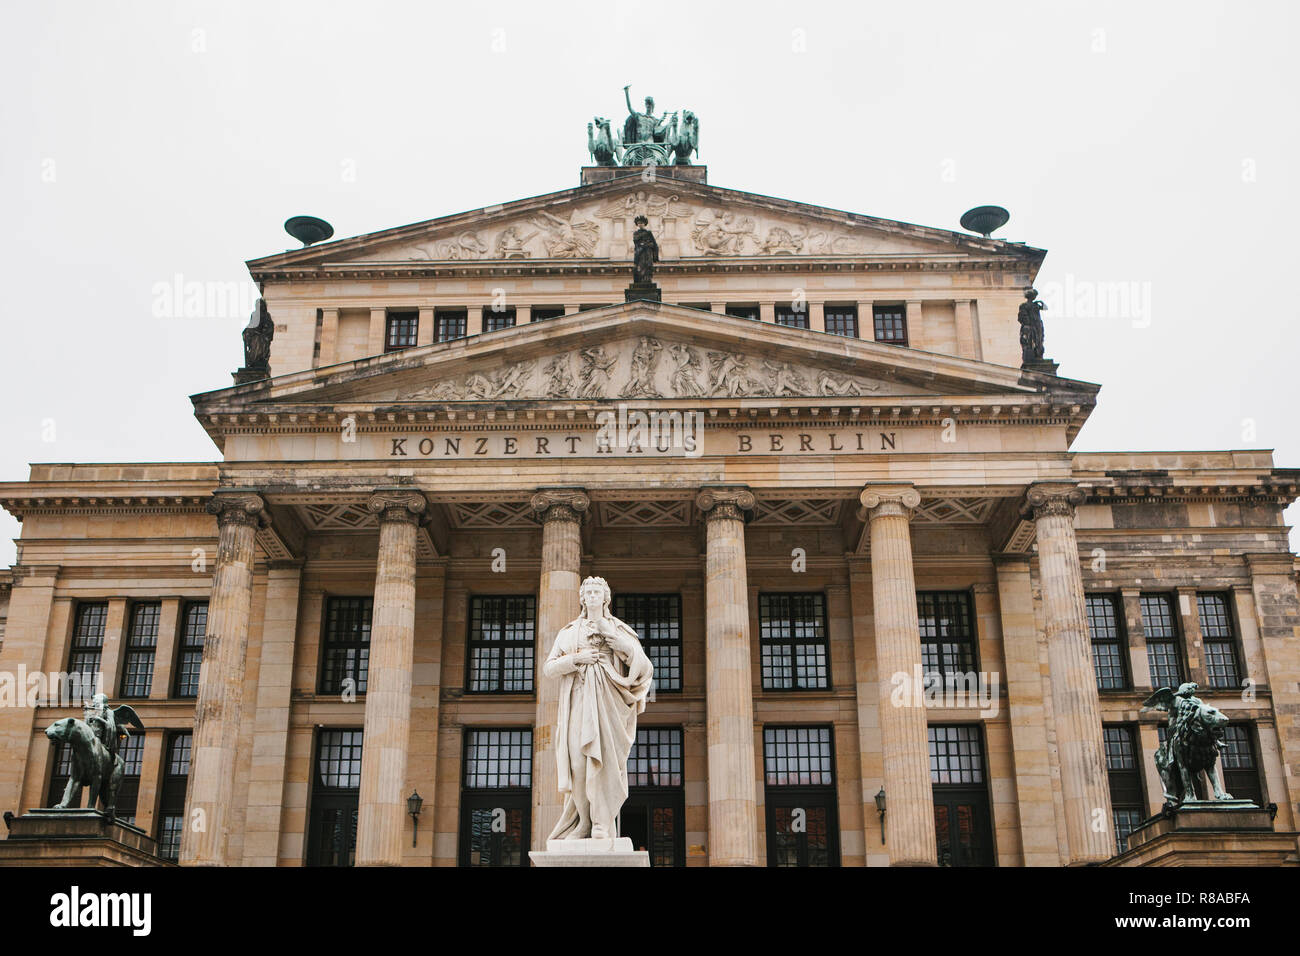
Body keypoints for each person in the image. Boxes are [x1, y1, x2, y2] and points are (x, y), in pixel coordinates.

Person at [543, 576, 654, 840]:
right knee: (578, 764)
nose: (592, 595)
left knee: (604, 765)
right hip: (579, 703)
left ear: (606, 598)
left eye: (597, 592)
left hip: (609, 705)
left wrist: (620, 644)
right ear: (582, 598)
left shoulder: (619, 628)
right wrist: (576, 659)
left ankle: (601, 822)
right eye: (588, 592)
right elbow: (549, 668)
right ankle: (583, 822)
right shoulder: (568, 631)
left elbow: (644, 666)